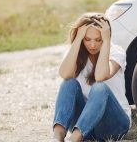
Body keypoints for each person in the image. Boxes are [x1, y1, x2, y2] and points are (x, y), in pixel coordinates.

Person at [52, 12, 131, 142]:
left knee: (99, 88)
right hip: (85, 126)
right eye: (87, 39)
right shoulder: (76, 52)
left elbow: (100, 76)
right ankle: (57, 137)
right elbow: (64, 74)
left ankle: (74, 139)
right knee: (68, 83)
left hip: (114, 124)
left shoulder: (116, 52)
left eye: (98, 40)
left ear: (106, 37)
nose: (92, 45)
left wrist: (106, 42)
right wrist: (77, 39)